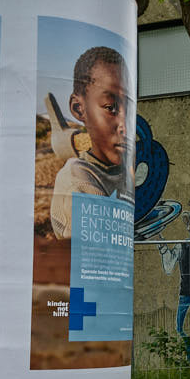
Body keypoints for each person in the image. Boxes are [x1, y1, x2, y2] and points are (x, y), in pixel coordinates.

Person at [49, 46, 131, 239]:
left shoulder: (123, 168)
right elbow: (107, 240)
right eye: (110, 108)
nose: (125, 126)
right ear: (79, 109)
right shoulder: (76, 181)